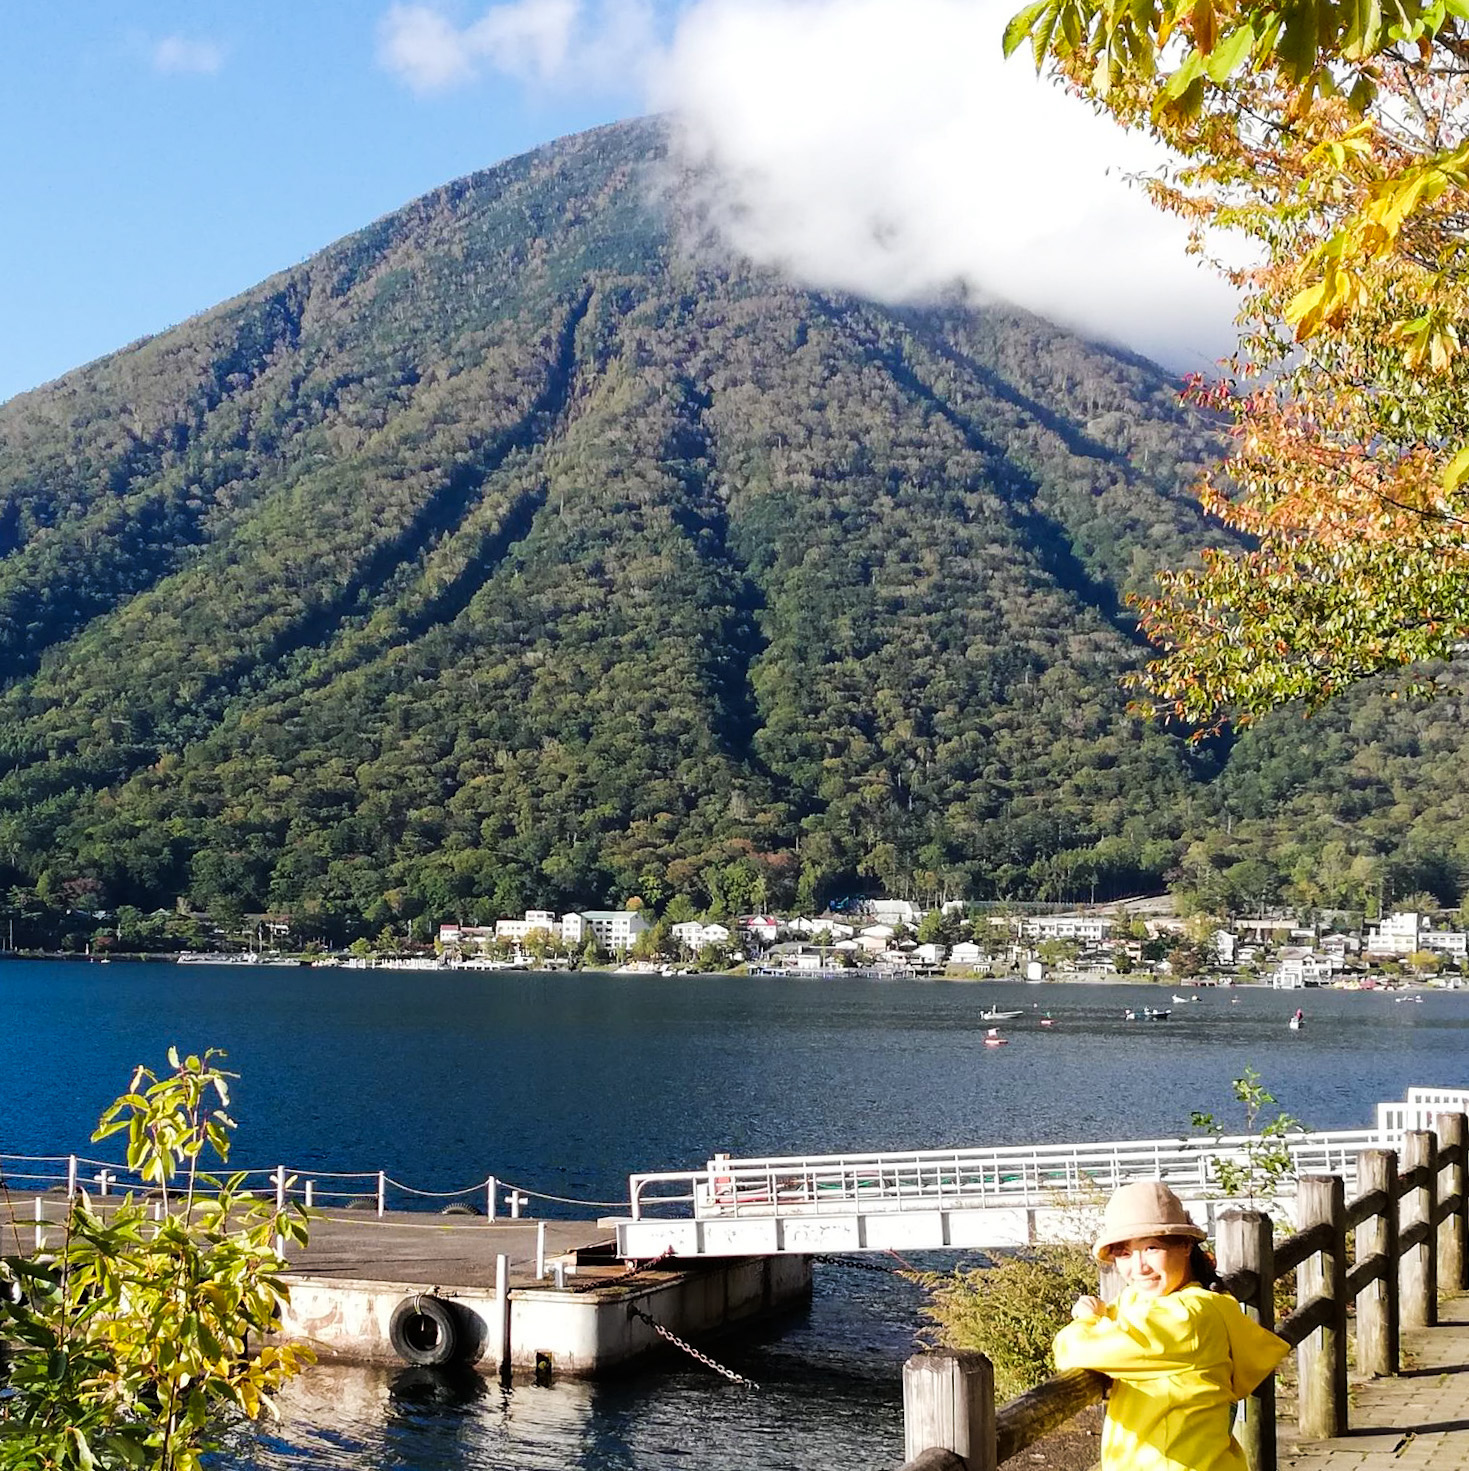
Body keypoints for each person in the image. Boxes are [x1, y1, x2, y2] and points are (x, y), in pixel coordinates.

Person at [1053, 1180, 1289, 1471]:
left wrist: (1088, 1318)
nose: (1139, 1267)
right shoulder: (1163, 1302)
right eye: (1125, 1253)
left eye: (1152, 1248)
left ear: (1186, 1245)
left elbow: (1073, 1350)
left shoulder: (1185, 1318)